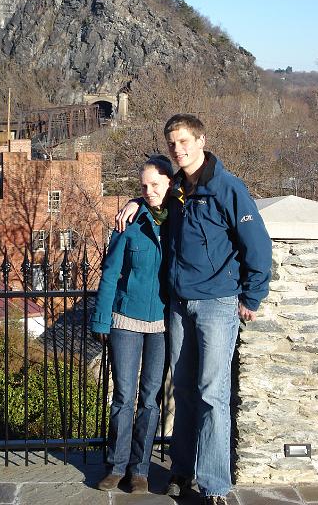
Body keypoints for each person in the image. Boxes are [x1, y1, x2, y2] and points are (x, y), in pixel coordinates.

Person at [115, 114, 272, 505]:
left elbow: (258, 245)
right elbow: (156, 194)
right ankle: (182, 473)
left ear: (201, 140)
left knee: (212, 394)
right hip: (180, 305)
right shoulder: (179, 190)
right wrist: (137, 198)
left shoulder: (227, 187)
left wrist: (252, 297)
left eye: (184, 141)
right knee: (183, 391)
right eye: (172, 143)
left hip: (217, 304)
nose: (178, 149)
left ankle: (216, 485)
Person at [91, 155, 173, 494]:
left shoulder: (179, 220)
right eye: (144, 187)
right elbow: (111, 273)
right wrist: (102, 318)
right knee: (124, 396)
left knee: (150, 399)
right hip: (126, 319)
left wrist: (138, 201)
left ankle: (140, 470)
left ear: (170, 183)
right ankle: (116, 466)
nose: (149, 191)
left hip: (163, 324)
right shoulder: (129, 223)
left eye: (155, 185)